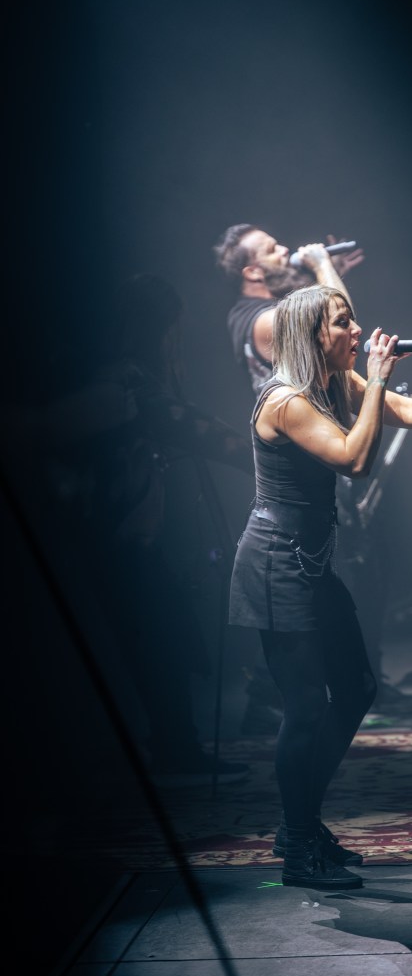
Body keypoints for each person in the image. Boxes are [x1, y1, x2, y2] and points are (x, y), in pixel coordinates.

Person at [228, 283, 412, 888]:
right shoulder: (286, 400)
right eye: (342, 322)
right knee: (306, 707)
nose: (356, 330)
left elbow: (411, 414)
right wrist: (378, 378)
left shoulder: (337, 381)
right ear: (312, 335)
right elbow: (355, 462)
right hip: (274, 567)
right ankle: (299, 843)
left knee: (356, 689)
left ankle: (300, 823)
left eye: (352, 320)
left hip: (311, 565)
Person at [24, 274, 255, 781]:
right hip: (114, 539)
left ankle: (175, 744)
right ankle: (173, 747)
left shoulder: (115, 377)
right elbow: (196, 428)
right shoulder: (124, 381)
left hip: (117, 537)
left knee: (160, 637)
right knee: (158, 639)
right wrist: (268, 460)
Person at [214, 223, 412, 725]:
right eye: (272, 250)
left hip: (315, 452)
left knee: (346, 575)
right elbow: (339, 331)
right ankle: (280, 698)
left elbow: (336, 325)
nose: (285, 250)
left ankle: (312, 692)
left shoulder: (272, 310)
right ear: (251, 271)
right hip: (302, 453)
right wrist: (323, 268)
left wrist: (323, 278)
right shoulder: (261, 319)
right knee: (334, 580)